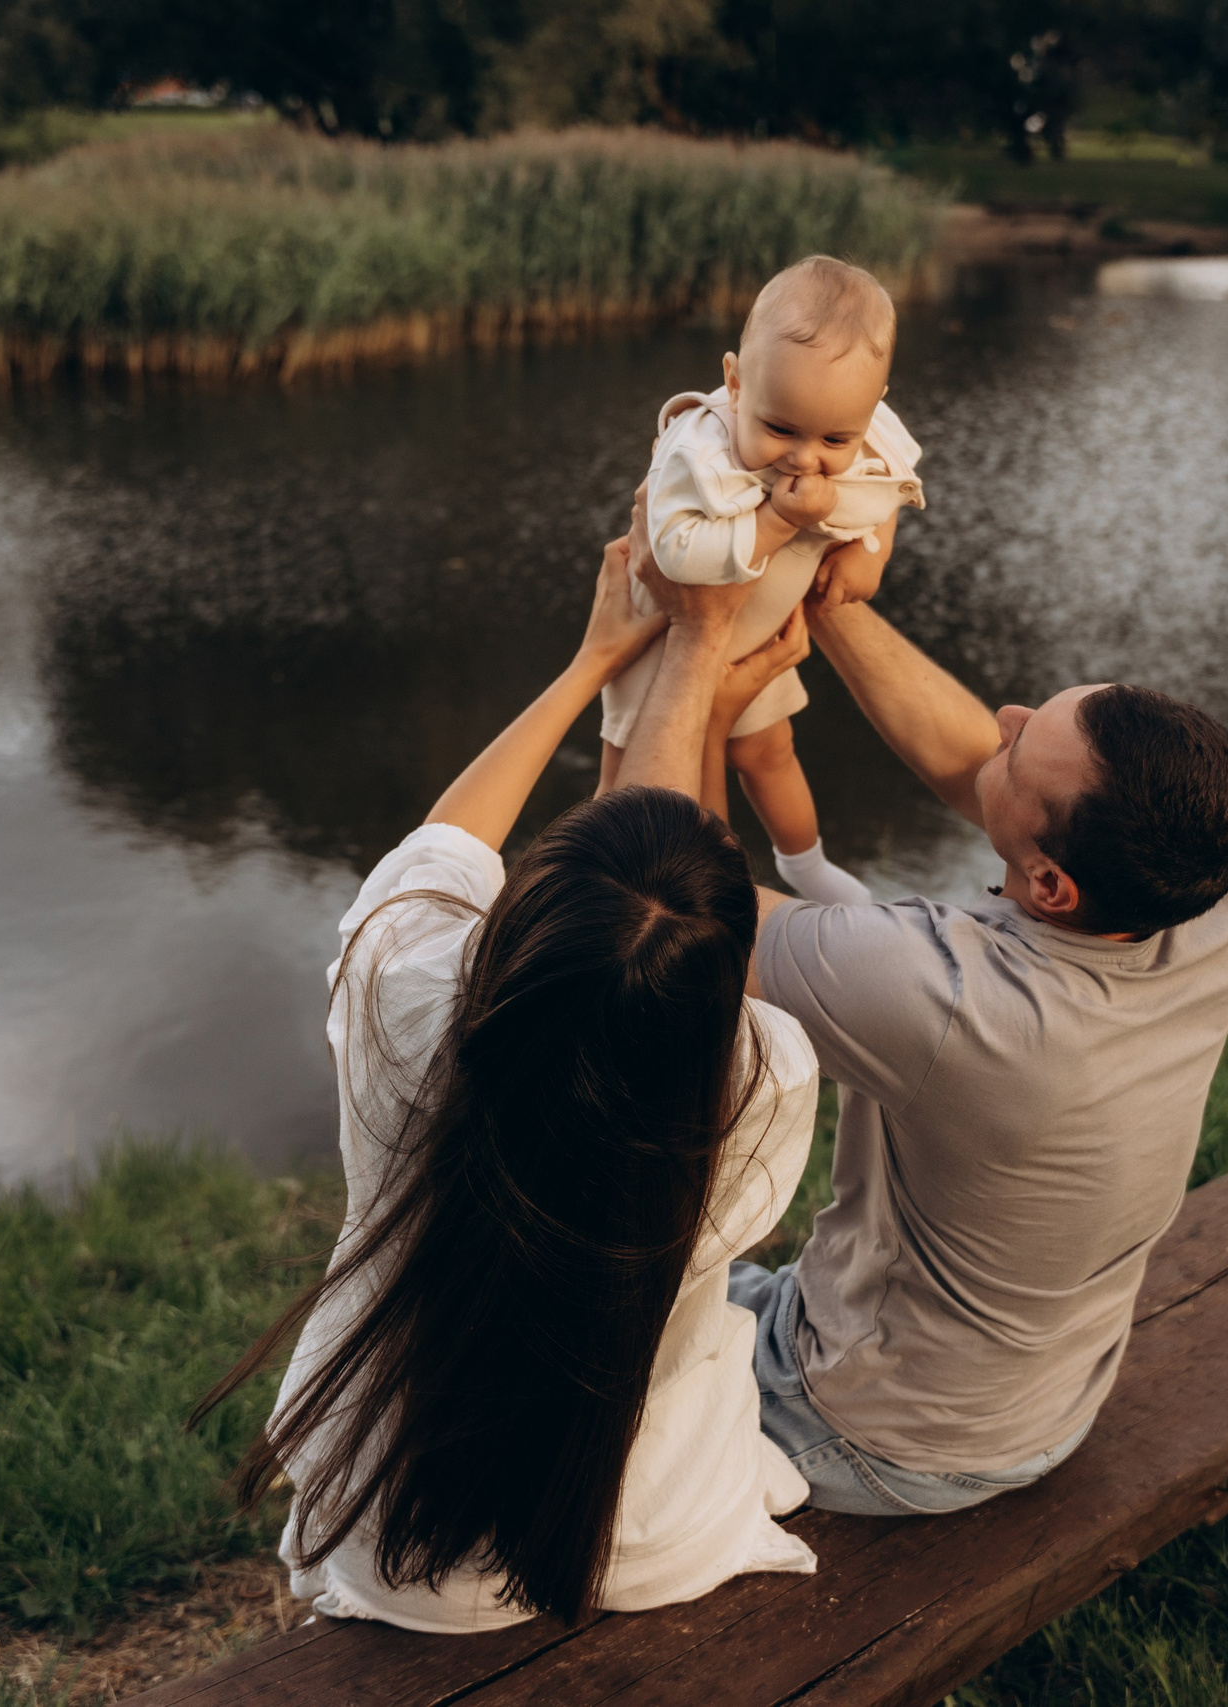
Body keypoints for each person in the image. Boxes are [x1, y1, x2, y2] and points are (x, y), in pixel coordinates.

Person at [191, 536, 823, 1630]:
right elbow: (648, 950)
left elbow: (443, 844)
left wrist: (593, 658)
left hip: (393, 1547)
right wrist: (703, 675)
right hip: (649, 1531)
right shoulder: (765, 1076)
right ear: (726, 983)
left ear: (519, 921)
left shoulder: (404, 986)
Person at [617, 512, 1228, 1519]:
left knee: (541, 1322)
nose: (998, 720)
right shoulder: (1201, 902)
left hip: (875, 1436)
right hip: (1038, 1402)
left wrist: (697, 646)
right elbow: (975, 763)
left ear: (1047, 884)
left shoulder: (957, 1002)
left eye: (1022, 749)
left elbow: (652, 893)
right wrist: (827, 598)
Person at [598, 255, 926, 909]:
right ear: (736, 382)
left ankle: (804, 863)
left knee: (771, 751)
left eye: (836, 438)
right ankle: (608, 881)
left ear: (871, 408)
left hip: (753, 640)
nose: (806, 457)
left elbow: (895, 476)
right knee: (631, 774)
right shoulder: (698, 450)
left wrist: (874, 547)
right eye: (780, 430)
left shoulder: (860, 427)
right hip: (661, 644)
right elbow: (679, 557)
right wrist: (778, 520)